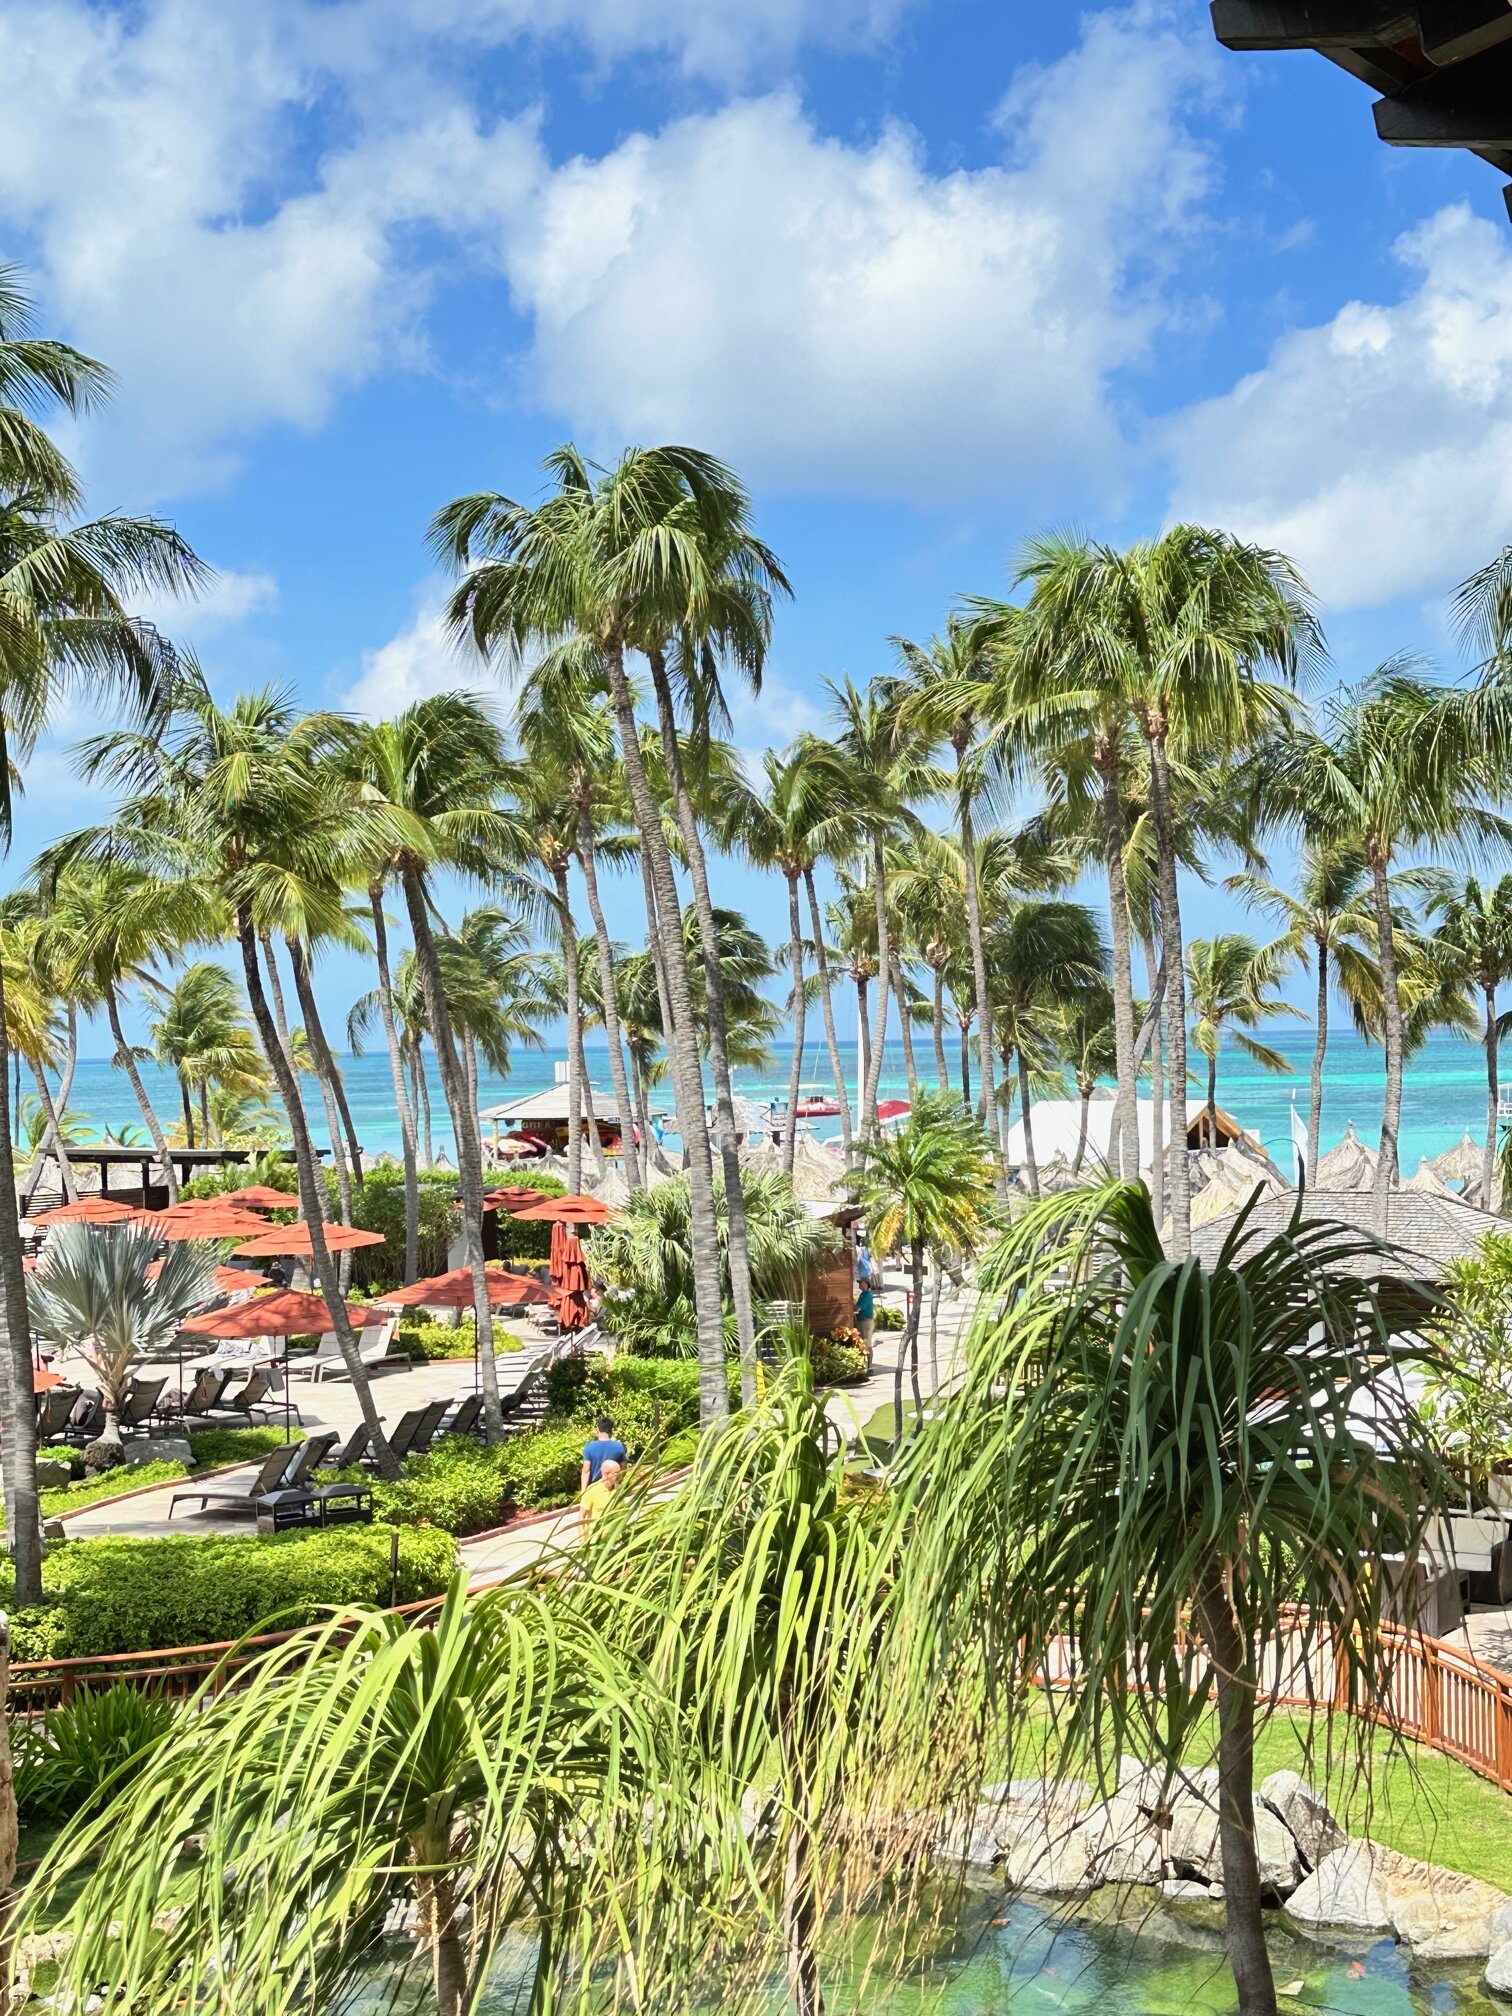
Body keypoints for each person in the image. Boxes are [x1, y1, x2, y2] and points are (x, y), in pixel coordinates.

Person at [581, 1414, 627, 1492]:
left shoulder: (589, 1447)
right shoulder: (619, 1447)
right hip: (611, 1487)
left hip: (594, 1488)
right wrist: (618, 1482)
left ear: (598, 1430)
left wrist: (583, 1492)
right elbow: (623, 1468)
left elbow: (586, 1471)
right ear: (611, 1430)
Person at [580, 1456, 622, 1529]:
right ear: (606, 1474)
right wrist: (582, 1537)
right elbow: (581, 1516)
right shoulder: (592, 1490)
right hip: (596, 1537)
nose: (620, 1476)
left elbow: (622, 1512)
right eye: (617, 1473)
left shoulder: (619, 1489)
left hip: (615, 1537)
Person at [855, 1278, 876, 1364]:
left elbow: (859, 1307)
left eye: (861, 1283)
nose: (859, 1284)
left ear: (866, 1284)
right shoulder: (862, 1294)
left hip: (866, 1321)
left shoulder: (868, 1295)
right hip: (860, 1320)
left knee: (866, 1343)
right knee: (861, 1343)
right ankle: (864, 1363)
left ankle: (870, 1365)